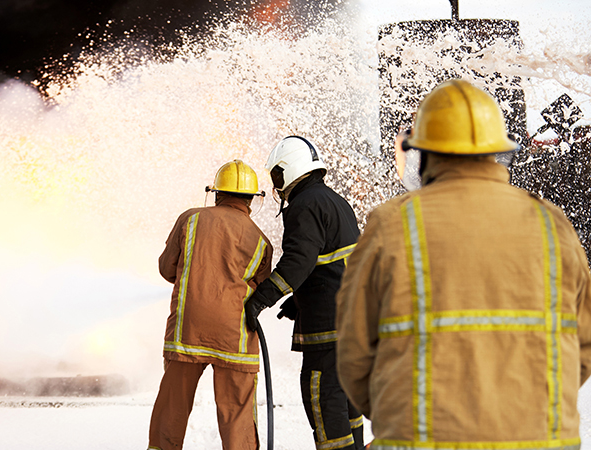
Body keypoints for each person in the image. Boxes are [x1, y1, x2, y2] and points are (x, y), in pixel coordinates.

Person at [335, 79, 591, 449]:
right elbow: (583, 345)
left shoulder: (392, 226)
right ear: (496, 151)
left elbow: (354, 353)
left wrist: (399, 415)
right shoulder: (552, 224)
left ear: (425, 153)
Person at [244, 136, 365, 450]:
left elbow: (299, 260)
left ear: (289, 170)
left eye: (276, 175)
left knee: (323, 398)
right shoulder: (333, 200)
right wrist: (299, 300)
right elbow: (332, 263)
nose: (276, 184)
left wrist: (260, 299)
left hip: (329, 329)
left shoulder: (305, 205)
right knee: (346, 403)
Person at [148, 159, 273, 450]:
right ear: (251, 199)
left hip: (187, 332)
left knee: (172, 408)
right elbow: (261, 288)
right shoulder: (261, 241)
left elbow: (167, 269)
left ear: (216, 193)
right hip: (235, 337)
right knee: (238, 414)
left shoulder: (190, 219)